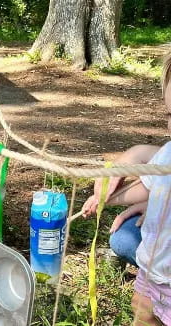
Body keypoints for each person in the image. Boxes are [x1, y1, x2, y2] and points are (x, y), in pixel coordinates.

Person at [82, 52, 171, 326]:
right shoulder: (168, 153)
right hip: (152, 269)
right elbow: (147, 186)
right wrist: (105, 198)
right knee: (143, 313)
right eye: (170, 114)